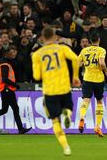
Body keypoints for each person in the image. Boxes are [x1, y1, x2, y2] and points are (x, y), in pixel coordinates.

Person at [32, 27, 80, 156]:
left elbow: (36, 77)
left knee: (55, 121)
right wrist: (75, 77)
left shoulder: (37, 54)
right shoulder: (62, 48)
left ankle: (66, 147)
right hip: (64, 87)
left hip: (49, 91)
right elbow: (76, 59)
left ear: (42, 38)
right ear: (55, 37)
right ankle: (68, 114)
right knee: (69, 107)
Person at [0, 46, 32, 134]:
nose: (14, 54)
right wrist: (15, 85)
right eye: (12, 52)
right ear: (6, 53)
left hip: (6, 90)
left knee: (5, 110)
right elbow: (4, 79)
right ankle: (20, 129)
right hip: (7, 89)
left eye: (15, 52)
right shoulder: (4, 64)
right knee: (14, 109)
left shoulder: (5, 63)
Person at [78, 32, 107, 137]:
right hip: (98, 80)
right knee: (99, 101)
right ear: (99, 40)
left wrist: (85, 64)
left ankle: (82, 117)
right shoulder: (101, 50)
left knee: (86, 100)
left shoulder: (84, 50)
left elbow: (78, 63)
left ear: (90, 41)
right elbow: (101, 63)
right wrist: (106, 72)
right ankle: (97, 126)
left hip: (87, 79)